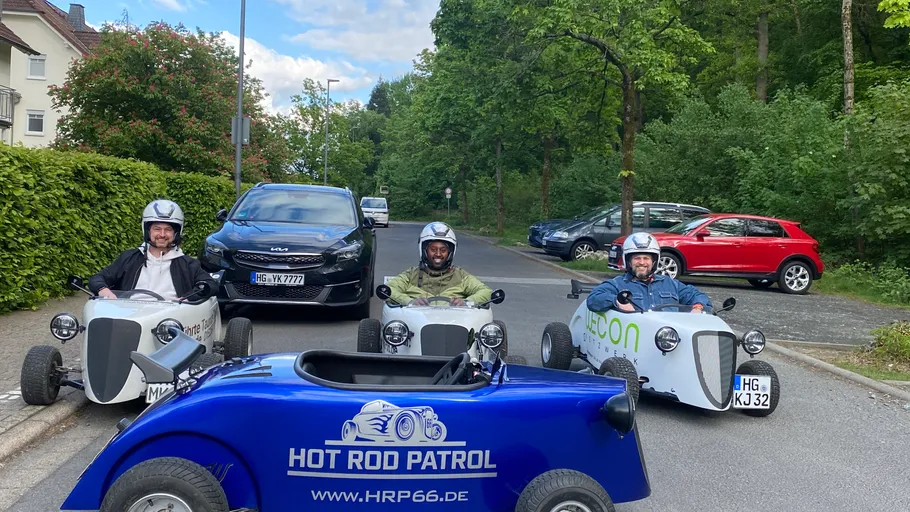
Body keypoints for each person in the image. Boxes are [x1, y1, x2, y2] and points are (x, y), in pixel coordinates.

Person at [88, 199, 217, 301]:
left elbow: (210, 285)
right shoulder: (129, 258)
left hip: (171, 320)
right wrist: (105, 291)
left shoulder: (188, 264)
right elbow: (97, 279)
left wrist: (188, 298)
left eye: (168, 229)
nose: (162, 234)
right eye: (157, 229)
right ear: (147, 231)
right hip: (130, 316)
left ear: (176, 233)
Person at [587, 232, 712, 313]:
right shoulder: (617, 284)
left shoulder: (671, 284)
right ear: (628, 261)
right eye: (637, 258)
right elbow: (593, 299)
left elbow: (698, 296)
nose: (642, 262)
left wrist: (698, 307)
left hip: (669, 342)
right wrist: (617, 301)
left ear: (654, 261)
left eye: (646, 258)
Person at [385, 222, 492, 306]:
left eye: (443, 250)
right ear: (424, 250)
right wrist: (410, 302)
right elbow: (387, 290)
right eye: (433, 249)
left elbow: (486, 292)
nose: (438, 254)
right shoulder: (411, 274)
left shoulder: (461, 276)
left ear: (450, 252)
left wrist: (466, 302)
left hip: (454, 325)